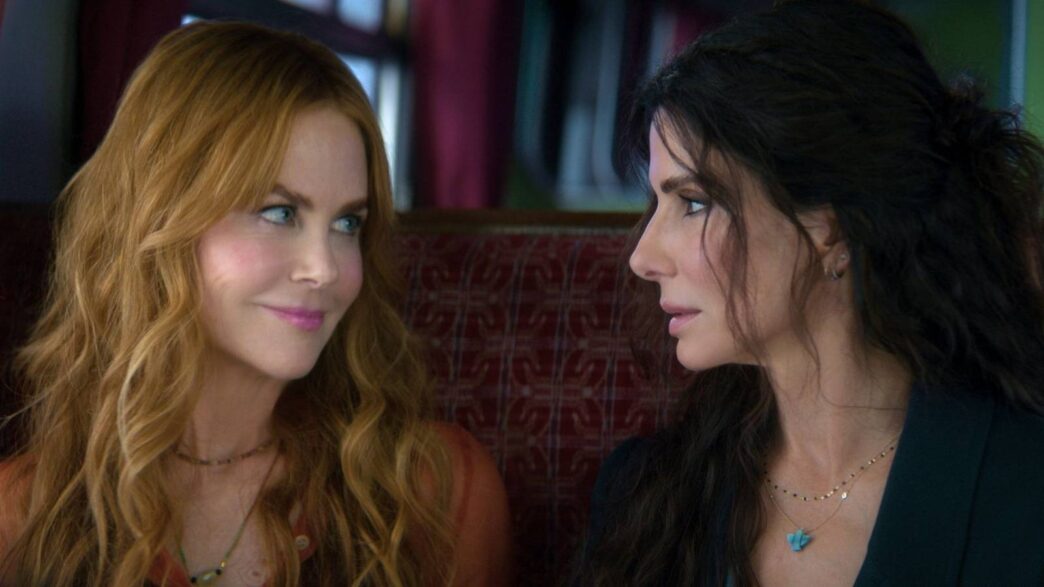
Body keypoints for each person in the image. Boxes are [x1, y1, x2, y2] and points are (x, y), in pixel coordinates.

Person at [0, 21, 511, 586]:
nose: (324, 268)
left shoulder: (437, 492)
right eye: (279, 213)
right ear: (159, 219)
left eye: (348, 223)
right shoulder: (22, 516)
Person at [575, 0, 1044, 585]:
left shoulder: (1022, 493)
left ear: (831, 228)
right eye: (656, 202)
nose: (642, 257)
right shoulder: (646, 498)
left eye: (693, 202)